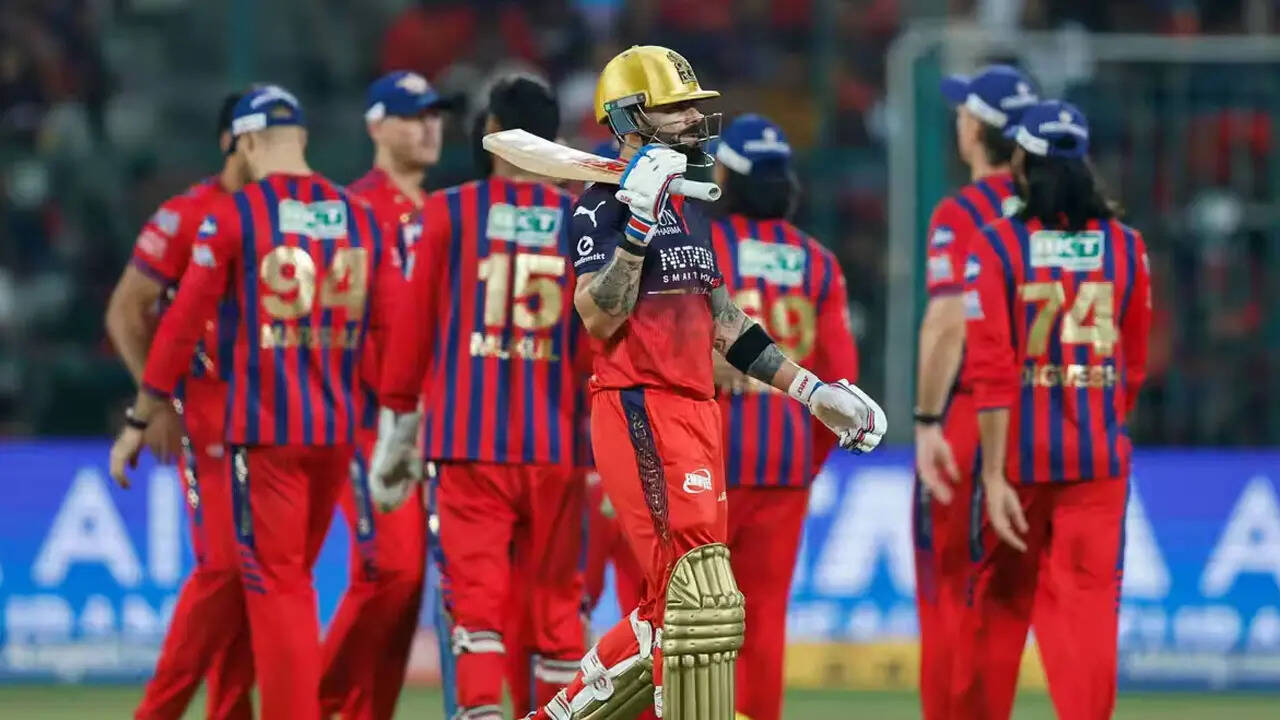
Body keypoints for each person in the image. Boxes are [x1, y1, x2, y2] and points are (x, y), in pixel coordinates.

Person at [525, 45, 886, 720]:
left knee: (689, 606)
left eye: (695, 107)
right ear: (631, 117)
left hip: (698, 412)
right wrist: (636, 225)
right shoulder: (599, 205)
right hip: (638, 406)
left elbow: (724, 322)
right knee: (691, 602)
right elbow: (598, 317)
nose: (695, 120)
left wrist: (813, 393)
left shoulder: (690, 208)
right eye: (678, 109)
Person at [108, 84, 399, 720]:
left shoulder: (233, 214)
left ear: (243, 142)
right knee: (256, 578)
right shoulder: (359, 214)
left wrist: (142, 411)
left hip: (260, 429)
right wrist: (401, 416)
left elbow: (180, 321)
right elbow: (393, 328)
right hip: (332, 429)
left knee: (267, 584)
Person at [370, 75, 588, 720]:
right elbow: (592, 340)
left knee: (476, 605)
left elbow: (412, 331)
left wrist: (397, 427)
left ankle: (481, 709)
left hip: (468, 445)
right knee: (556, 608)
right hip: (557, 446)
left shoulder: (448, 211)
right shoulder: (580, 220)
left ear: (492, 130)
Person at [957, 99, 1151, 720]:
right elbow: (1135, 361)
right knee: (1089, 611)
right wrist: (1100, 416)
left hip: (1018, 464)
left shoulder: (995, 245)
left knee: (998, 608)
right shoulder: (1127, 247)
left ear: (1022, 162)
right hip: (1098, 460)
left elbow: (991, 370)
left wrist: (993, 474)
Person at [105, 91, 254, 720]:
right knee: (225, 568)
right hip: (211, 415)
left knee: (251, 584)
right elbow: (126, 310)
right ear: (229, 142)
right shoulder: (187, 215)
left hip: (277, 421)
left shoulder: (287, 215)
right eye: (259, 134)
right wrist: (156, 399)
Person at [706, 113, 860, 720]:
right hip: (784, 465)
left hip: (706, 458)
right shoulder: (819, 262)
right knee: (763, 621)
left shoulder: (703, 244)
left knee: (678, 614)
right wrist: (805, 462)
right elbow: (841, 382)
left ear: (726, 176)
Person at [319, 69, 454, 720]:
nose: (429, 126)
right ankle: (313, 706)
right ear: (376, 126)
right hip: (371, 419)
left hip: (441, 425)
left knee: (408, 587)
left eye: (434, 114)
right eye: (412, 115)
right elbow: (333, 320)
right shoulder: (352, 210)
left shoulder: (443, 213)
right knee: (389, 571)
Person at [910, 64, 1037, 720]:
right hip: (1043, 419)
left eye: (964, 113)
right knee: (1007, 602)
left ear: (977, 130)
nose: (957, 121)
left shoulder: (962, 212)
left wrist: (926, 419)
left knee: (948, 590)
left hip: (970, 414)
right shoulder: (1057, 208)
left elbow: (948, 321)